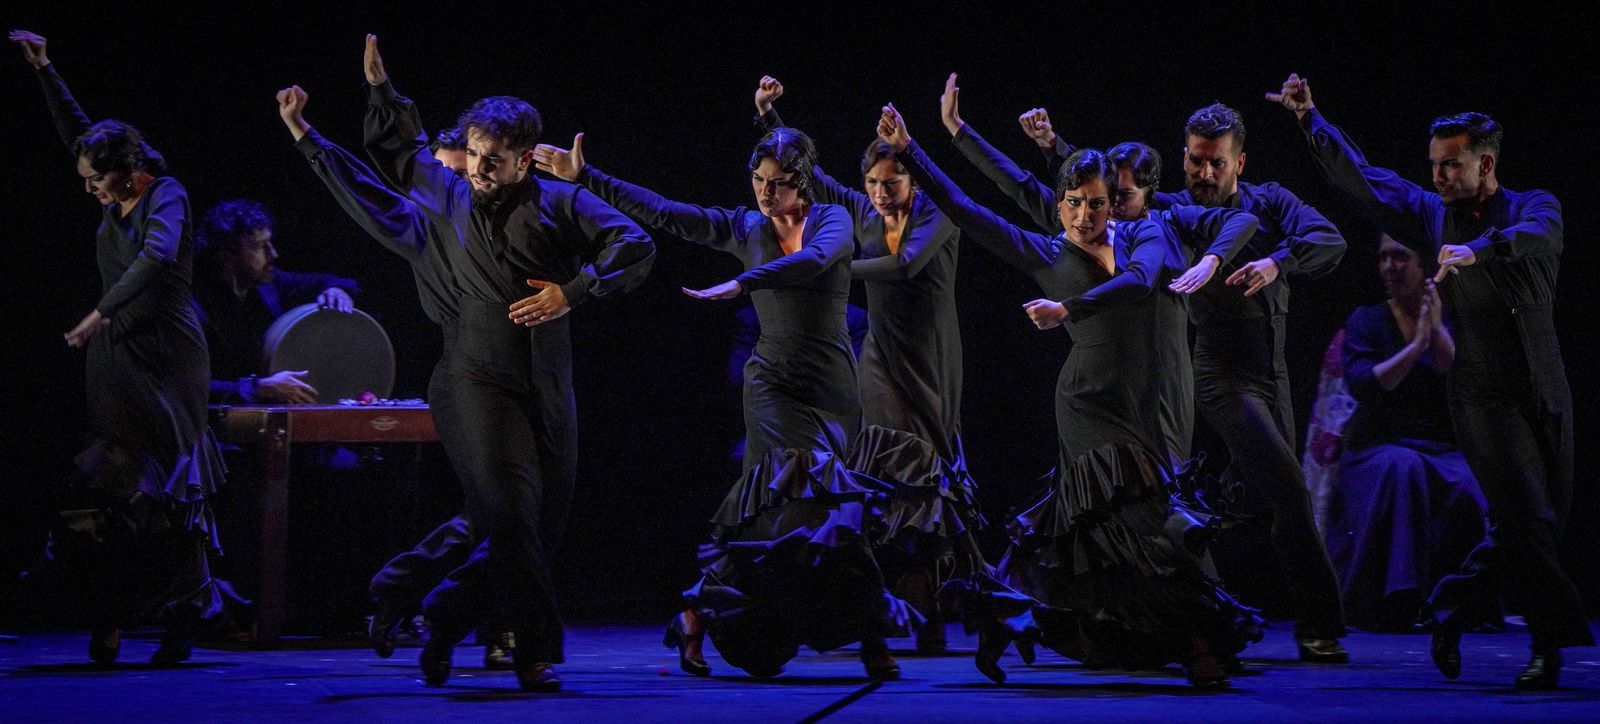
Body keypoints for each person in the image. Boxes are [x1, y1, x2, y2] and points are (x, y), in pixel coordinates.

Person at [872, 103, 1261, 688]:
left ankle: (1015, 619)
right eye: (1073, 204)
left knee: (1112, 534)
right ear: (1058, 205)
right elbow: (966, 208)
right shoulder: (1045, 252)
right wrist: (911, 152)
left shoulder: (1144, 232)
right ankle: (1196, 642)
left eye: (1097, 203)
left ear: (1113, 202)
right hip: (1087, 406)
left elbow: (1142, 281)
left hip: (1144, 404)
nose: (1084, 216)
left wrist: (1068, 309)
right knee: (1145, 518)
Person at [533, 122, 910, 680]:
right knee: (810, 501)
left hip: (832, 389)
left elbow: (814, 261)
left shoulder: (833, 219)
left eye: (777, 183)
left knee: (809, 510)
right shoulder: (744, 226)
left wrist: (744, 284)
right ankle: (873, 639)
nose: (764, 193)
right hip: (773, 386)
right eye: (758, 180)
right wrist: (587, 176)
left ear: (802, 183)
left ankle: (696, 611)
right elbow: (665, 211)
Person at [1274, 72, 1591, 688]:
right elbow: (1364, 177)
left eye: (1450, 166)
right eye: (1435, 166)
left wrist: (1481, 251)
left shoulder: (1533, 206)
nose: (1439, 177)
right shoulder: (1430, 213)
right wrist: (1312, 120)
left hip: (1546, 387)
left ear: (1486, 163)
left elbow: (1540, 237)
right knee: (1525, 518)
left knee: (1537, 521)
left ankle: (1449, 608)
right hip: (1482, 393)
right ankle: (1548, 647)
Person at [1022, 88, 1350, 660]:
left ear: (1238, 162)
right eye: (1195, 159)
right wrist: (1056, 149)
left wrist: (1279, 261)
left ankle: (1204, 605)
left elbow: (1330, 240)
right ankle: (1316, 626)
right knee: (1287, 491)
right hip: (1214, 371)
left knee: (1260, 500)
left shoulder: (1270, 202)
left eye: (1215, 162)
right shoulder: (1170, 211)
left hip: (1271, 370)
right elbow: (1110, 188)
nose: (1203, 171)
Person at [12, 29, 238, 665]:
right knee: (110, 489)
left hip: (166, 355)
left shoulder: (165, 194)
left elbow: (158, 256)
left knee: (169, 493)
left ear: (128, 172)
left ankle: (183, 617)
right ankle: (112, 617)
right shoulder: (109, 176)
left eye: (97, 181)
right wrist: (46, 71)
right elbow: (78, 133)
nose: (89, 190)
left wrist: (99, 312)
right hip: (115, 354)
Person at [752, 76, 984, 654]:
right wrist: (770, 115)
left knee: (927, 475)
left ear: (911, 178)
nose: (881, 192)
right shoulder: (857, 210)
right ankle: (889, 607)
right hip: (878, 353)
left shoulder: (938, 213)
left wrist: (830, 273)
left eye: (892, 181)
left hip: (930, 357)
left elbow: (904, 267)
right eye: (873, 183)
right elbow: (807, 175)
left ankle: (927, 611)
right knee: (883, 470)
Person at [1321, 234, 1489, 631]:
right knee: (1404, 468)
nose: (1389, 267)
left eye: (1400, 257)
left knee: (1469, 481)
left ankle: (1461, 602)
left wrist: (1436, 330)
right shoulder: (1367, 319)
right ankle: (1401, 599)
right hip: (1377, 447)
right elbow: (1366, 383)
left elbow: (1460, 375)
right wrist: (1415, 346)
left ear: (1424, 266)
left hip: (1437, 445)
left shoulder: (1448, 315)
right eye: (1383, 258)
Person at [192, 199, 359, 405]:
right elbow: (187, 386)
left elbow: (327, 281)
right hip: (217, 428)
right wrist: (258, 387)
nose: (273, 254)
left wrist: (335, 289)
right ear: (227, 256)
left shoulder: (268, 285)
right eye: (261, 247)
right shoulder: (193, 308)